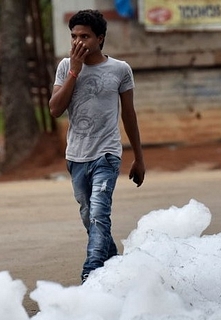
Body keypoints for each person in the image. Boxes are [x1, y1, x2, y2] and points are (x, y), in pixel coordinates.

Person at [49, 9, 146, 283]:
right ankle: (115, 263)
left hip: (107, 155)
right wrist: (74, 73)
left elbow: (129, 114)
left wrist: (138, 157)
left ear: (100, 38)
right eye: (74, 36)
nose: (78, 42)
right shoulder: (66, 67)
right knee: (89, 216)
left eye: (85, 36)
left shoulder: (119, 70)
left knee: (100, 214)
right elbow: (55, 109)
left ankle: (91, 271)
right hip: (76, 156)